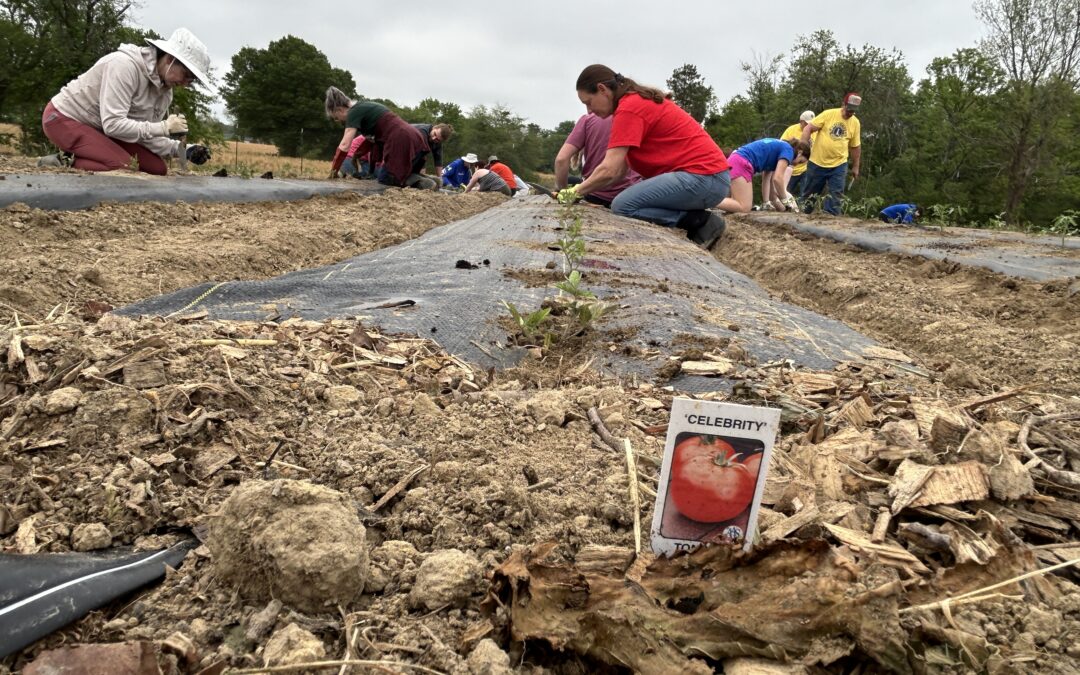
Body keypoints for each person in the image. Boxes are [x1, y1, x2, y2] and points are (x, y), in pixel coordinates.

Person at [561, 65, 730, 249]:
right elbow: (618, 171)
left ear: (602, 89)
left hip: (703, 177)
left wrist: (575, 192)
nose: (589, 111)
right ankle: (695, 220)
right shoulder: (630, 105)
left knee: (623, 206)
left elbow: (608, 169)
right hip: (708, 179)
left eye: (589, 102)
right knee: (623, 202)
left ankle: (699, 221)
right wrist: (586, 191)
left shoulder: (629, 108)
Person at [39, 27, 212, 174]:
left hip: (101, 129)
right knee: (123, 165)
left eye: (190, 81)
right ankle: (63, 161)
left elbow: (146, 135)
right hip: (64, 118)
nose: (184, 84)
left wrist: (183, 150)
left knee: (157, 169)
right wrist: (164, 127)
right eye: (185, 75)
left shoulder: (165, 92)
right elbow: (113, 124)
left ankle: (85, 154)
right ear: (169, 59)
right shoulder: (124, 66)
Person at [325, 87, 433, 189]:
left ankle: (420, 182)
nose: (338, 121)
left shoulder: (353, 112)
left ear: (339, 110)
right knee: (399, 172)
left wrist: (333, 171)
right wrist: (358, 154)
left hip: (400, 138)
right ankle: (432, 180)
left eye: (336, 118)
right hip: (414, 135)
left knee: (385, 179)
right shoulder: (365, 106)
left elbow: (344, 145)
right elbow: (371, 140)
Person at [554, 112, 641, 208]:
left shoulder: (588, 119)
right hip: (628, 194)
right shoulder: (635, 119)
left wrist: (563, 192)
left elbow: (561, 160)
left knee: (570, 181)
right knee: (572, 180)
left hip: (593, 194)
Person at [800, 93, 862, 215]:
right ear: (843, 105)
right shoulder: (828, 114)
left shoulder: (855, 123)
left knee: (836, 195)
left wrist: (856, 166)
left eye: (853, 111)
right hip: (817, 162)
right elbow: (808, 129)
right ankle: (802, 215)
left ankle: (831, 219)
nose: (850, 113)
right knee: (809, 196)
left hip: (839, 164)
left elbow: (855, 146)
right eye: (848, 110)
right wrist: (803, 148)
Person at [716, 138, 811, 213]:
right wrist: (787, 201)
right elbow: (777, 179)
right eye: (800, 161)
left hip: (736, 160)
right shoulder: (788, 150)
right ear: (800, 152)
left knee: (732, 202)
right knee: (744, 206)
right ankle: (707, 199)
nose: (796, 164)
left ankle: (707, 200)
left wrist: (776, 205)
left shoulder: (778, 149)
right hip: (741, 163)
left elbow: (769, 185)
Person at [780, 110, 816, 200]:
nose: (809, 126)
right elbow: (782, 144)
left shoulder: (814, 132)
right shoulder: (791, 130)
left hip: (806, 169)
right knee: (784, 192)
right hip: (790, 167)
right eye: (807, 123)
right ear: (801, 121)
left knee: (805, 194)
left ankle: (802, 211)